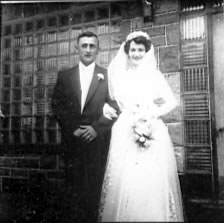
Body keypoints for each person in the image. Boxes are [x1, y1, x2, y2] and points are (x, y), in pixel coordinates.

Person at [98, 31, 184, 222]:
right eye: (133, 50)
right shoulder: (121, 77)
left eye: (141, 50)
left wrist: (152, 113)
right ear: (127, 52)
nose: (136, 54)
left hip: (150, 126)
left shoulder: (154, 76)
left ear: (146, 52)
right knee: (126, 177)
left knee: (149, 176)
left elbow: (172, 101)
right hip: (125, 129)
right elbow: (115, 102)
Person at [52, 31, 118, 223]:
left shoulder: (107, 76)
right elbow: (57, 105)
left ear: (98, 49)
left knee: (94, 190)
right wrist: (72, 127)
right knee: (72, 189)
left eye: (92, 46)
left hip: (97, 141)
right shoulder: (65, 76)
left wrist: (96, 128)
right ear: (77, 49)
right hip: (72, 140)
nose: (88, 50)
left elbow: (115, 106)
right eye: (84, 45)